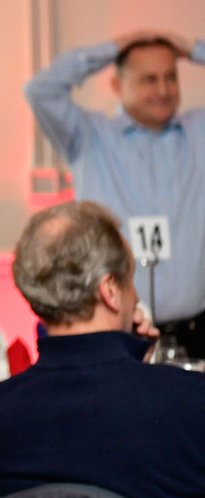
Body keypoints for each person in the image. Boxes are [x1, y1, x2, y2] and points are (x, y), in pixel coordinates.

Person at [0, 200, 205, 498]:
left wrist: (133, 357)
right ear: (110, 290)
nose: (136, 296)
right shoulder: (191, 402)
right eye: (129, 279)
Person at [25, 31, 205, 356]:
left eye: (170, 77)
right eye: (149, 79)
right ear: (117, 85)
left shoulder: (198, 132)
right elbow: (40, 90)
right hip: (118, 335)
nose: (163, 90)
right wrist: (114, 48)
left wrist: (192, 49)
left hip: (195, 336)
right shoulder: (90, 136)